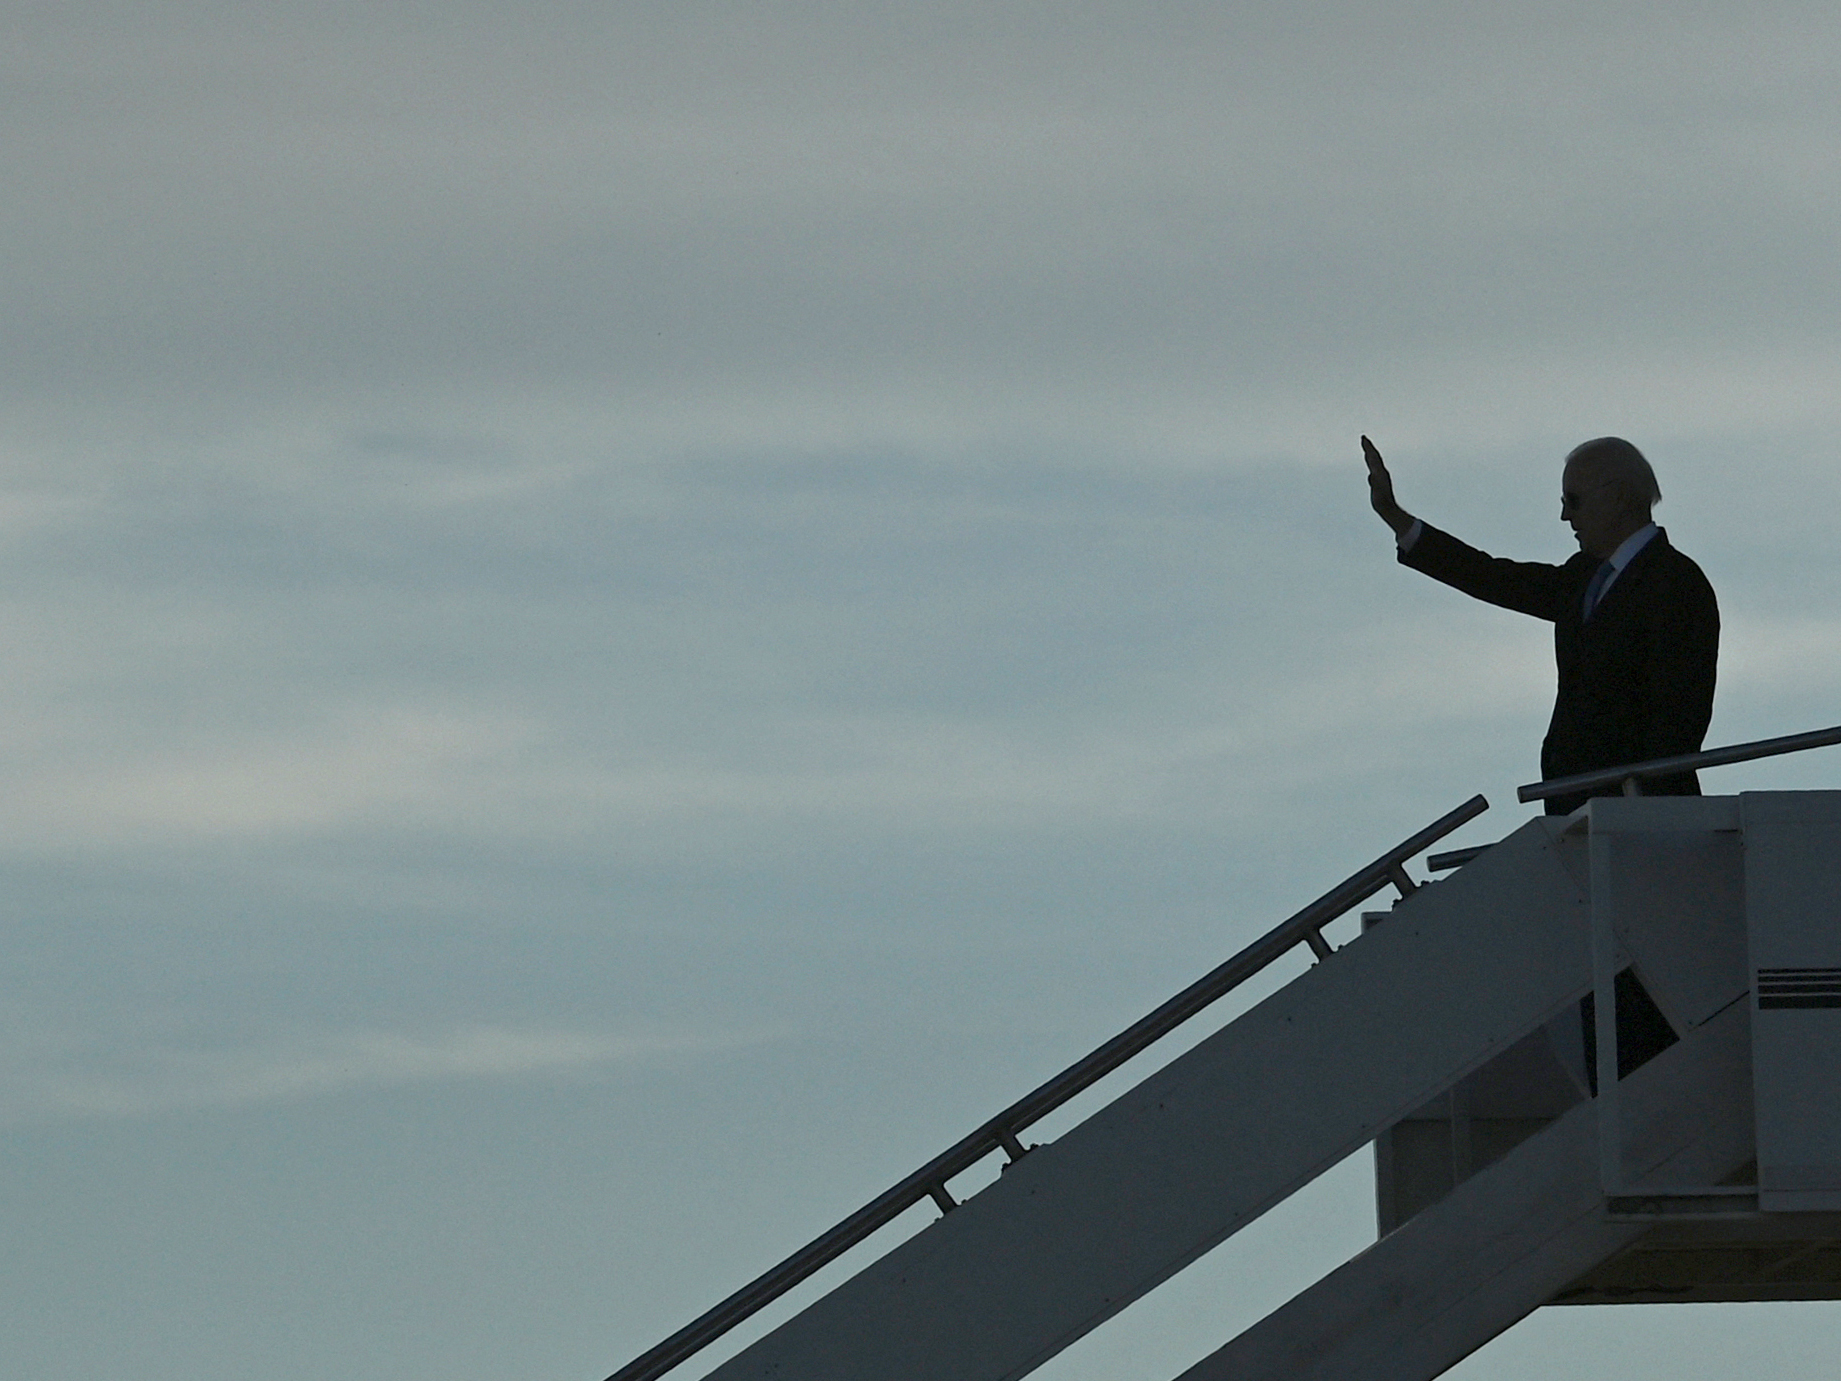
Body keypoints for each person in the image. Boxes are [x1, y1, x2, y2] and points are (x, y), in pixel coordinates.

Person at [1362, 434, 1719, 815]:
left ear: (1616, 497)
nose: (1566, 516)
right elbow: (1495, 578)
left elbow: (1679, 717)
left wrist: (1642, 806)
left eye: (1573, 501)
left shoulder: (1677, 582)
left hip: (1639, 820)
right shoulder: (1583, 577)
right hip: (1581, 811)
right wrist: (1396, 518)